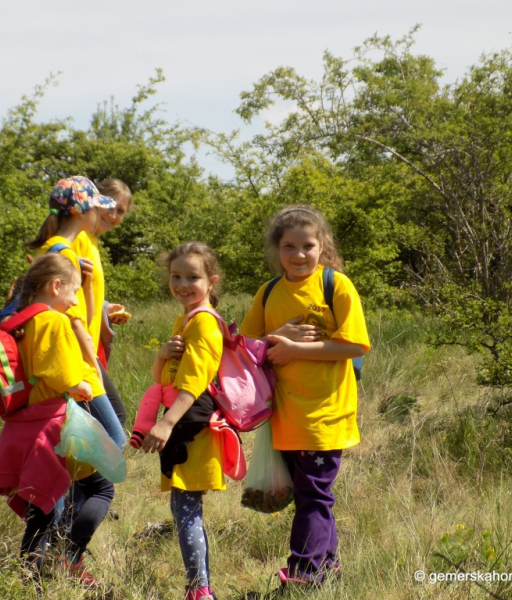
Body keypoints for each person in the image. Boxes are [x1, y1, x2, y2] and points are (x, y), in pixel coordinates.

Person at [239, 205, 370, 593]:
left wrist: (295, 349)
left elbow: (354, 345)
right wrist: (277, 336)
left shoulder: (337, 286)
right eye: (289, 246)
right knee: (310, 495)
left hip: (325, 413)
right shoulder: (269, 292)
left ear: (322, 245)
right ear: (276, 249)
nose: (299, 255)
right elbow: (245, 348)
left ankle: (303, 575)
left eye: (308, 246)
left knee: (313, 493)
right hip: (285, 415)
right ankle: (327, 569)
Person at [0, 253, 114, 587]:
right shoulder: (52, 321)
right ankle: (70, 555)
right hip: (53, 424)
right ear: (56, 286)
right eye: (74, 292)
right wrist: (83, 385)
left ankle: (30, 581)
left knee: (40, 511)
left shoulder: (18, 322)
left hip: (22, 425)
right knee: (101, 488)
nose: (74, 301)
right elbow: (61, 374)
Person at [140, 241, 242, 600]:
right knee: (183, 505)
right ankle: (198, 587)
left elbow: (193, 383)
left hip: (191, 426)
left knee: (186, 507)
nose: (183, 284)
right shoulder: (184, 319)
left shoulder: (203, 324)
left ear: (211, 281)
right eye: (176, 276)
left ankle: (200, 590)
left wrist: (165, 423)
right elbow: (164, 377)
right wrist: (161, 354)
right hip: (182, 423)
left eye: (193, 277)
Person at [26, 175, 126, 450]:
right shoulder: (65, 254)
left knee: (77, 442)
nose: (102, 213)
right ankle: (70, 491)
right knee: (114, 439)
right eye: (97, 207)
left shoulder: (53, 248)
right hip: (75, 361)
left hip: (63, 359)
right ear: (83, 211)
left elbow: (82, 312)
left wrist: (88, 284)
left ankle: (70, 490)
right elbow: (76, 322)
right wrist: (93, 363)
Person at [73, 178, 132, 430]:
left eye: (121, 211)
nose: (114, 214)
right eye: (110, 205)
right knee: (112, 423)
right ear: (94, 202)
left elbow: (83, 292)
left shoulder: (93, 242)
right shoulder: (80, 238)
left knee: (95, 424)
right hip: (77, 348)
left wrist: (105, 309)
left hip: (87, 347)